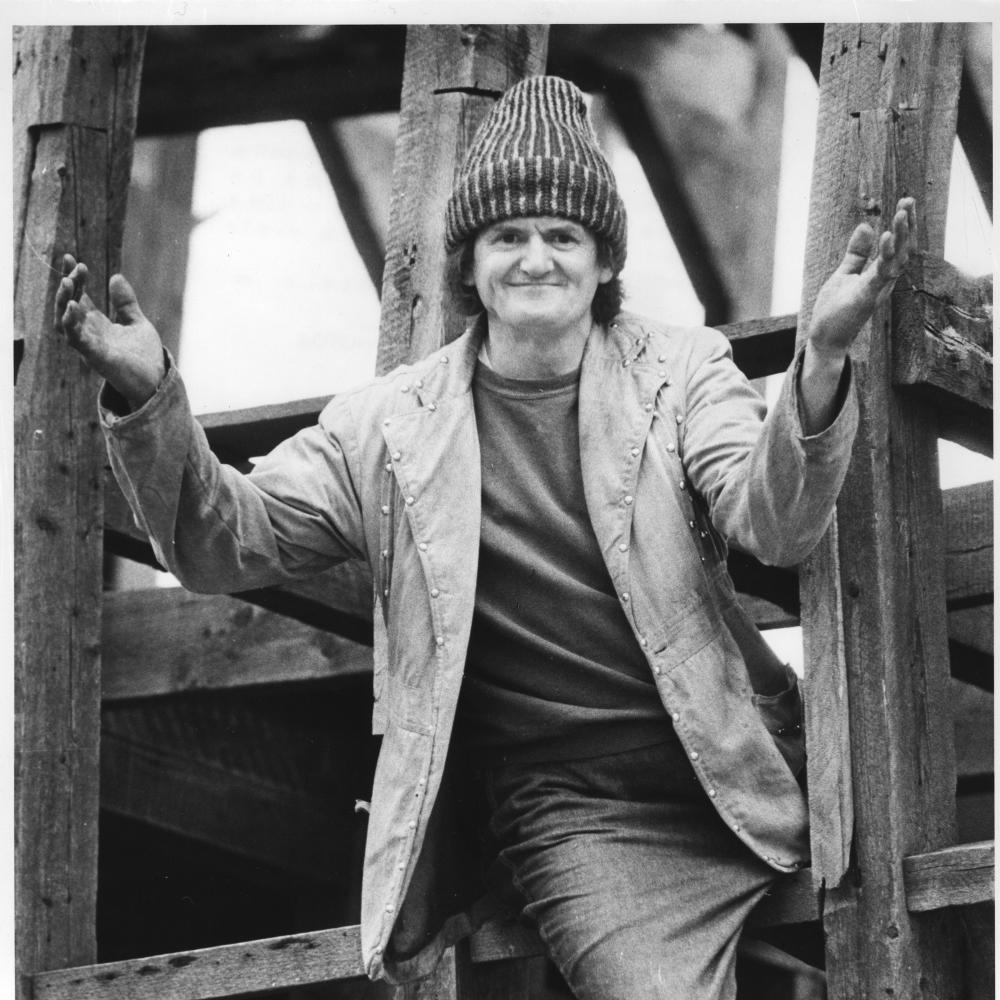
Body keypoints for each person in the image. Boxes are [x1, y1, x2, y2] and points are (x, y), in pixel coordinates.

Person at [55, 75, 915, 1000]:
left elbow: (773, 520)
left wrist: (820, 363)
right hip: (578, 810)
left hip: (743, 755)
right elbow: (225, 542)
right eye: (509, 236)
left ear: (600, 262)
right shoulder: (388, 426)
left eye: (562, 236)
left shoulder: (681, 369)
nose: (535, 258)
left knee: (893, 942)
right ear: (470, 265)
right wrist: (150, 401)